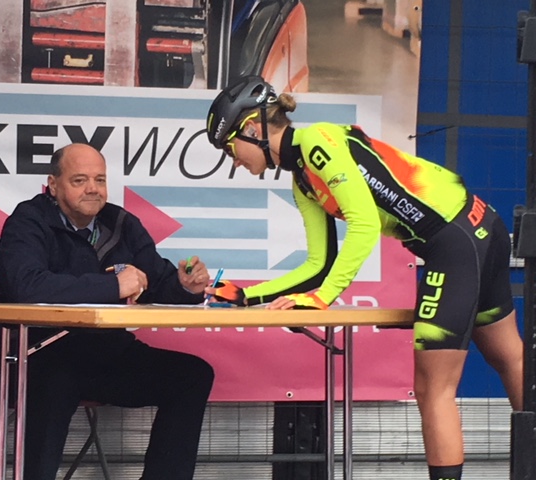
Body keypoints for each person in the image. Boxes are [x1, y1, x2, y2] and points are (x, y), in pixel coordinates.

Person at [203, 75, 524, 480]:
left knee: (434, 389)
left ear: (253, 128)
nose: (234, 161)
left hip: (454, 244)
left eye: (229, 148)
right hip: (480, 225)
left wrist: (323, 298)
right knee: (507, 357)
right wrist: (248, 296)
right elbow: (319, 264)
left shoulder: (316, 143)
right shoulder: (303, 178)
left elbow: (364, 224)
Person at [0, 143, 215, 480]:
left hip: (102, 355)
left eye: (100, 179)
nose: (92, 189)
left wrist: (186, 287)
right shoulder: (28, 220)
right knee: (57, 380)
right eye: (79, 180)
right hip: (25, 355)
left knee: (192, 375)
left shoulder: (121, 222)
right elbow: (27, 286)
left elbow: (156, 281)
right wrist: (112, 286)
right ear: (53, 185)